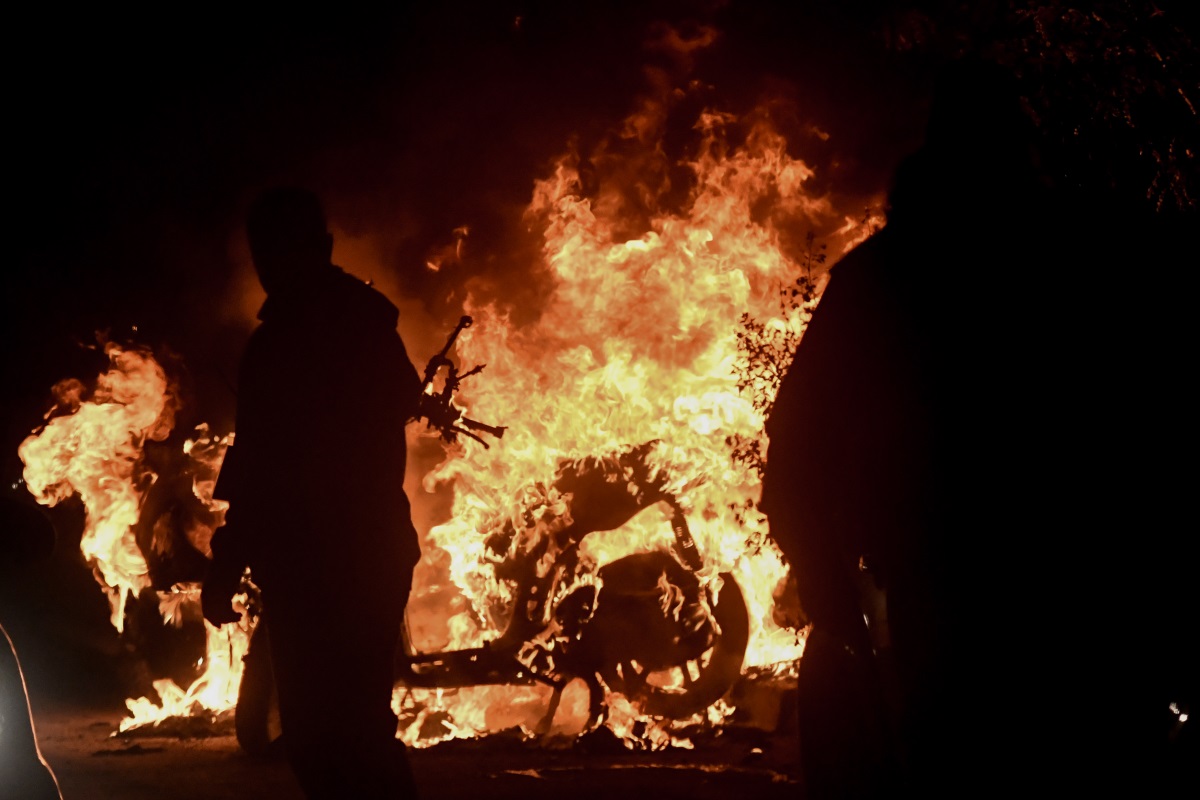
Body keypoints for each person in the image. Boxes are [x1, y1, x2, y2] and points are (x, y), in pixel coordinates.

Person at [761, 59, 1080, 796]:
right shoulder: (1070, 264)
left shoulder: (881, 277)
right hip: (1036, 584)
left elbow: (800, 439)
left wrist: (820, 568)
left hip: (947, 583)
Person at [202, 187, 422, 798]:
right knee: (340, 736)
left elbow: (264, 465)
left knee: (338, 738)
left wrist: (228, 563)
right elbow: (400, 402)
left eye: (281, 251)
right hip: (348, 559)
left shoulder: (292, 342)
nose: (270, 268)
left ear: (319, 249)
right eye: (263, 254)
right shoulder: (363, 325)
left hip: (332, 564)